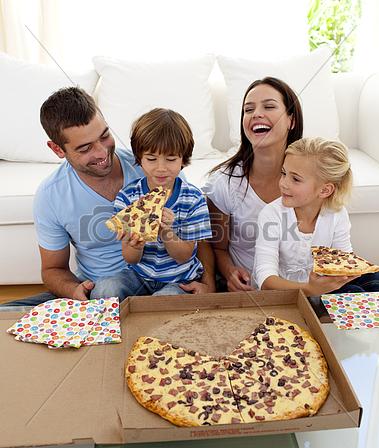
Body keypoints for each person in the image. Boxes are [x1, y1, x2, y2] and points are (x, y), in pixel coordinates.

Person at [3, 87, 215, 307]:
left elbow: (198, 241)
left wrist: (209, 285)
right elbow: (52, 269)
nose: (102, 153)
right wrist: (76, 290)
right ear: (57, 149)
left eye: (104, 136)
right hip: (107, 288)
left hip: (173, 281)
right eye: (85, 148)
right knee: (9, 314)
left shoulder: (155, 165)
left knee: (166, 306)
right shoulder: (51, 195)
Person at [90, 108, 212, 299]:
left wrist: (166, 231)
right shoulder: (128, 197)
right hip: (139, 275)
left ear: (183, 160)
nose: (161, 168)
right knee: (104, 289)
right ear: (139, 158)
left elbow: (184, 256)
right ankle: (111, 328)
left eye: (171, 159)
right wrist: (136, 245)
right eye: (151, 159)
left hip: (179, 279)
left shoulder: (193, 198)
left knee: (162, 302)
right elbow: (129, 257)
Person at [203, 77, 303, 292]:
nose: (256, 113)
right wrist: (230, 272)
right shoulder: (225, 183)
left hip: (302, 289)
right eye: (248, 110)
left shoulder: (311, 177)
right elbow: (218, 248)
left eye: (269, 106)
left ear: (291, 121)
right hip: (250, 291)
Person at [253, 137, 379, 295]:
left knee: (376, 280)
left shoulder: (337, 214)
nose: (283, 183)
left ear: (325, 190)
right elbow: (266, 281)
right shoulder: (272, 214)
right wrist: (310, 289)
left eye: (295, 179)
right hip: (286, 292)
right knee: (352, 291)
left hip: (323, 285)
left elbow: (345, 262)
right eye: (284, 173)